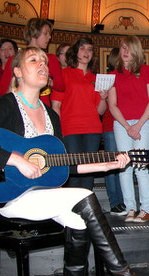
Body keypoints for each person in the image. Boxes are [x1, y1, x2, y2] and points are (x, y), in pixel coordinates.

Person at [0, 47, 149, 276]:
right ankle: (123, 275)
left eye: (45, 61)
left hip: (38, 194)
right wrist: (16, 160)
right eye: (34, 60)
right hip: (7, 192)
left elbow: (68, 163)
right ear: (17, 72)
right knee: (83, 197)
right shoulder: (7, 105)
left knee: (79, 220)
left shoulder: (52, 116)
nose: (42, 64)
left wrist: (110, 162)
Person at [108, 35, 149, 223]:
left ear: (136, 50)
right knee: (124, 166)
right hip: (122, 124)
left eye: (129, 48)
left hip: (144, 122)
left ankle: (146, 209)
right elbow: (112, 104)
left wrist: (138, 125)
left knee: (140, 166)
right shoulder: (113, 74)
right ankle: (130, 208)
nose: (125, 52)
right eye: (123, 48)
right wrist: (128, 126)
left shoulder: (146, 71)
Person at [51, 37, 106, 191]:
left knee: (89, 172)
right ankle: (73, 209)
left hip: (93, 128)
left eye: (90, 49)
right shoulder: (63, 74)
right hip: (70, 128)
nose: (86, 52)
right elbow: (56, 105)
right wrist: (58, 131)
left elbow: (100, 111)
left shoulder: (95, 77)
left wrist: (103, 98)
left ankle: (87, 208)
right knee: (74, 170)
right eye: (82, 48)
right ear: (75, 52)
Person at [0, 18, 65, 108]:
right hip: (20, 107)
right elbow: (1, 92)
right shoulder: (15, 59)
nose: (49, 37)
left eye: (49, 34)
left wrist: (50, 81)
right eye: (45, 33)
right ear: (34, 33)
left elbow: (61, 86)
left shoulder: (51, 59)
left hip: (43, 108)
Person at [102, 48, 125, 215]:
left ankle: (124, 201)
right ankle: (115, 202)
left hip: (126, 125)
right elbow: (100, 109)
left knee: (124, 163)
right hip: (111, 125)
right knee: (112, 165)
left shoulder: (129, 76)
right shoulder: (106, 78)